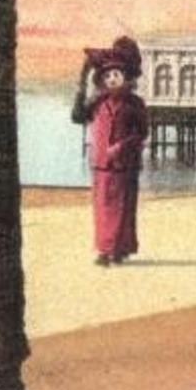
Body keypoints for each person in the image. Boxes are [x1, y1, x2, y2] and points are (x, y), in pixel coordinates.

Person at [72, 37, 149, 267]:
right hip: (102, 164)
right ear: (102, 80)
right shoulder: (97, 103)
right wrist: (81, 85)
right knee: (103, 209)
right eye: (107, 76)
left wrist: (122, 145)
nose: (112, 79)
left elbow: (142, 133)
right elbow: (77, 117)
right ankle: (105, 251)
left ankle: (119, 250)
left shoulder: (135, 104)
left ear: (126, 77)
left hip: (125, 164)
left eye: (116, 75)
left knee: (124, 209)